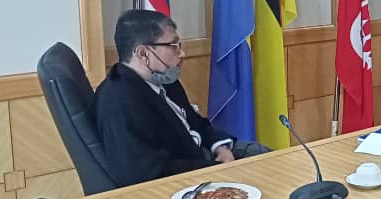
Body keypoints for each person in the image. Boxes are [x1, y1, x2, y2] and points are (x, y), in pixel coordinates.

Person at [94, 10, 270, 188]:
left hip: (206, 155)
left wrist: (220, 148)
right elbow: (147, 173)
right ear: (143, 53)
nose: (182, 53)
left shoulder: (163, 78)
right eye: (173, 46)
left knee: (268, 157)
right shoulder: (120, 101)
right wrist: (215, 168)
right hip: (186, 179)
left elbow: (196, 122)